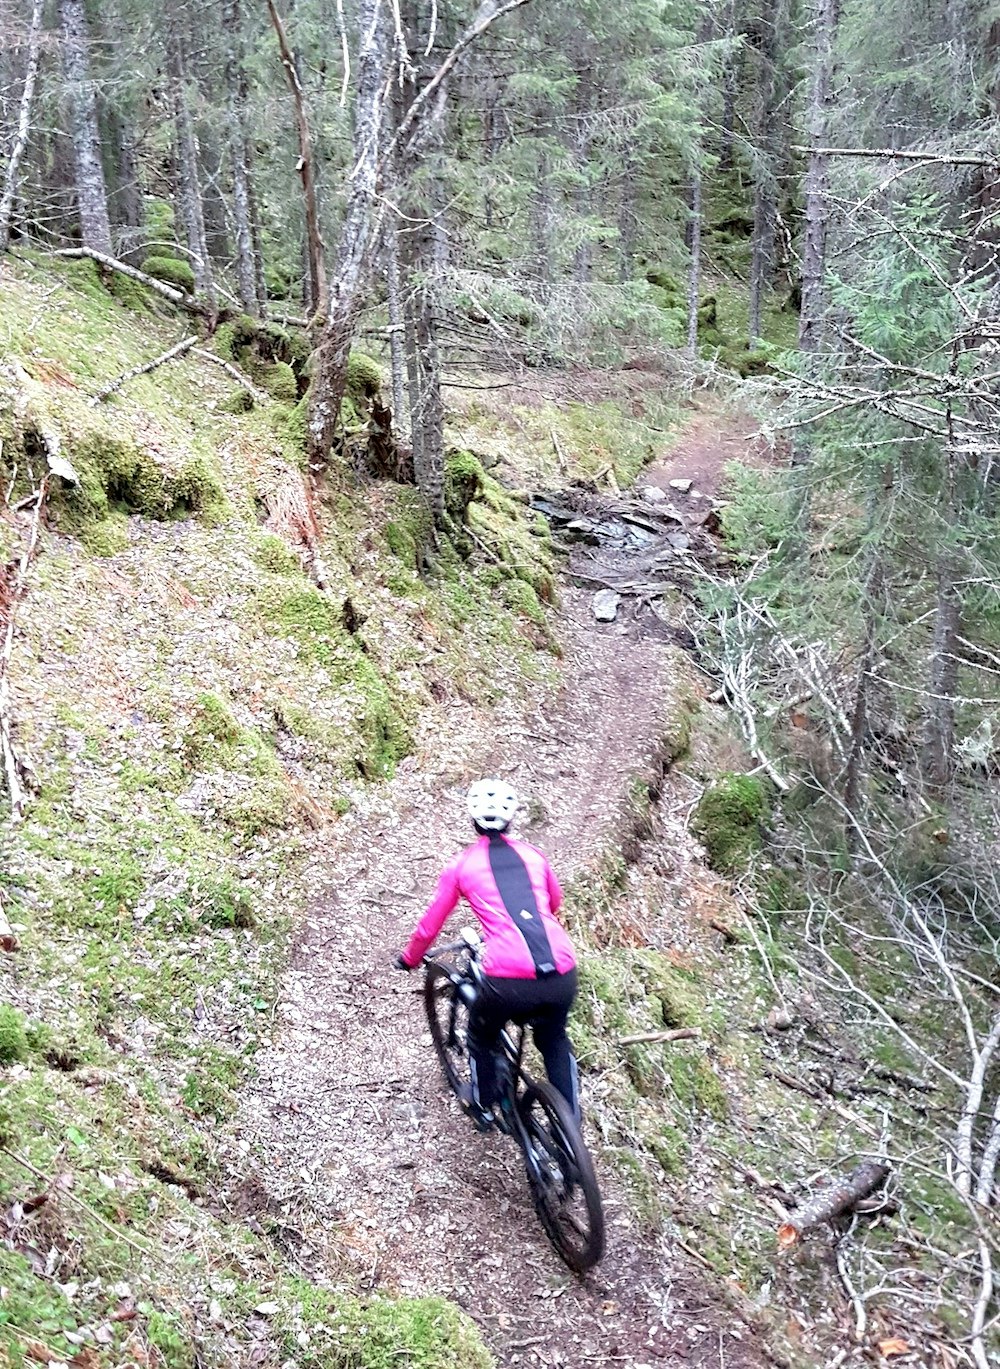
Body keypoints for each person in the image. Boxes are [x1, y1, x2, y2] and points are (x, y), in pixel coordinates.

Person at [395, 778, 580, 1129]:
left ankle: (481, 1104)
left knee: (481, 1035)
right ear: (512, 819)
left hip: (508, 979)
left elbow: (429, 926)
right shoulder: (534, 856)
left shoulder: (462, 865)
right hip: (561, 970)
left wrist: (410, 958)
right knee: (554, 1039)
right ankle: (571, 1132)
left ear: (472, 819)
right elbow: (554, 903)